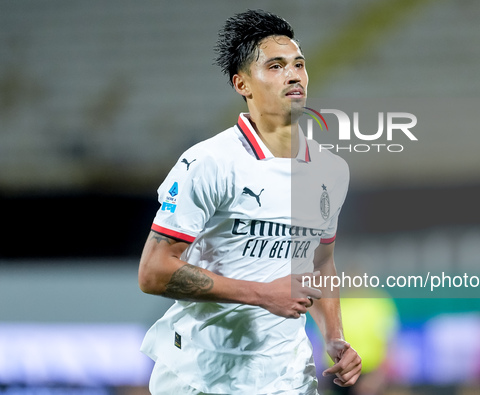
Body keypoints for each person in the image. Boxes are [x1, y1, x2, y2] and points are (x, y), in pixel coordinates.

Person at [138, 9, 361, 395]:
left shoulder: (330, 170)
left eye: (298, 65)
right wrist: (262, 294)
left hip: (286, 376)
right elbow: (154, 272)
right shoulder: (210, 162)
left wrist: (334, 336)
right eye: (275, 66)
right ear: (243, 84)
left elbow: (321, 262)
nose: (294, 75)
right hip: (201, 376)